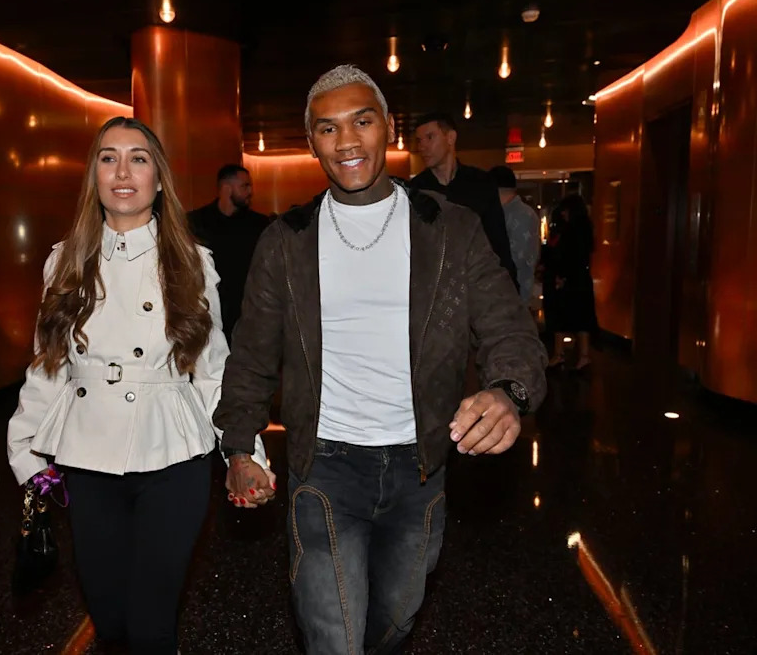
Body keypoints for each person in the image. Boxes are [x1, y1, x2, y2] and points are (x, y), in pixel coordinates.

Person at [213, 65, 547, 654]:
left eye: (361, 122)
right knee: (333, 638)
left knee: (394, 624)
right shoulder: (286, 241)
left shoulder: (451, 229)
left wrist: (508, 390)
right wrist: (240, 447)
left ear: (388, 127)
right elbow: (252, 355)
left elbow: (509, 328)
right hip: (324, 467)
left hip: (420, 465)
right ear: (311, 142)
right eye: (328, 128)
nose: (346, 141)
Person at [6, 116, 273, 654]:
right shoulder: (64, 261)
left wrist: (246, 453)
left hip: (172, 455)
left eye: (138, 158)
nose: (123, 172)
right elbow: (48, 364)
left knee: (152, 625)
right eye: (108, 158)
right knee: (109, 620)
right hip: (88, 457)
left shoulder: (191, 262)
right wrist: (26, 451)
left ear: (158, 178)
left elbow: (212, 368)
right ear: (94, 176)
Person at [408, 112, 518, 287]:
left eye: (430, 137)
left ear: (450, 138)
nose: (423, 146)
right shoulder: (416, 190)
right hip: (434, 289)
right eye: (419, 140)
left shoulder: (481, 183)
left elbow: (498, 242)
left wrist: (509, 289)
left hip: (478, 285)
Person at [189, 165, 270, 344]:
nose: (250, 191)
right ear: (226, 188)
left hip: (249, 318)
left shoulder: (259, 225)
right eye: (245, 186)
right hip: (208, 316)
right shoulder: (195, 223)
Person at [544, 193, 598, 370]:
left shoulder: (569, 231)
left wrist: (561, 276)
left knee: (559, 317)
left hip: (568, 281)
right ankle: (584, 356)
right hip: (581, 280)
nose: (563, 214)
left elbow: (567, 257)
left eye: (565, 210)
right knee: (582, 318)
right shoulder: (585, 228)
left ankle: (559, 354)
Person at [489, 165, 540, 305]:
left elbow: (517, 260)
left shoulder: (522, 215)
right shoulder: (506, 213)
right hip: (507, 294)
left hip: (514, 296)